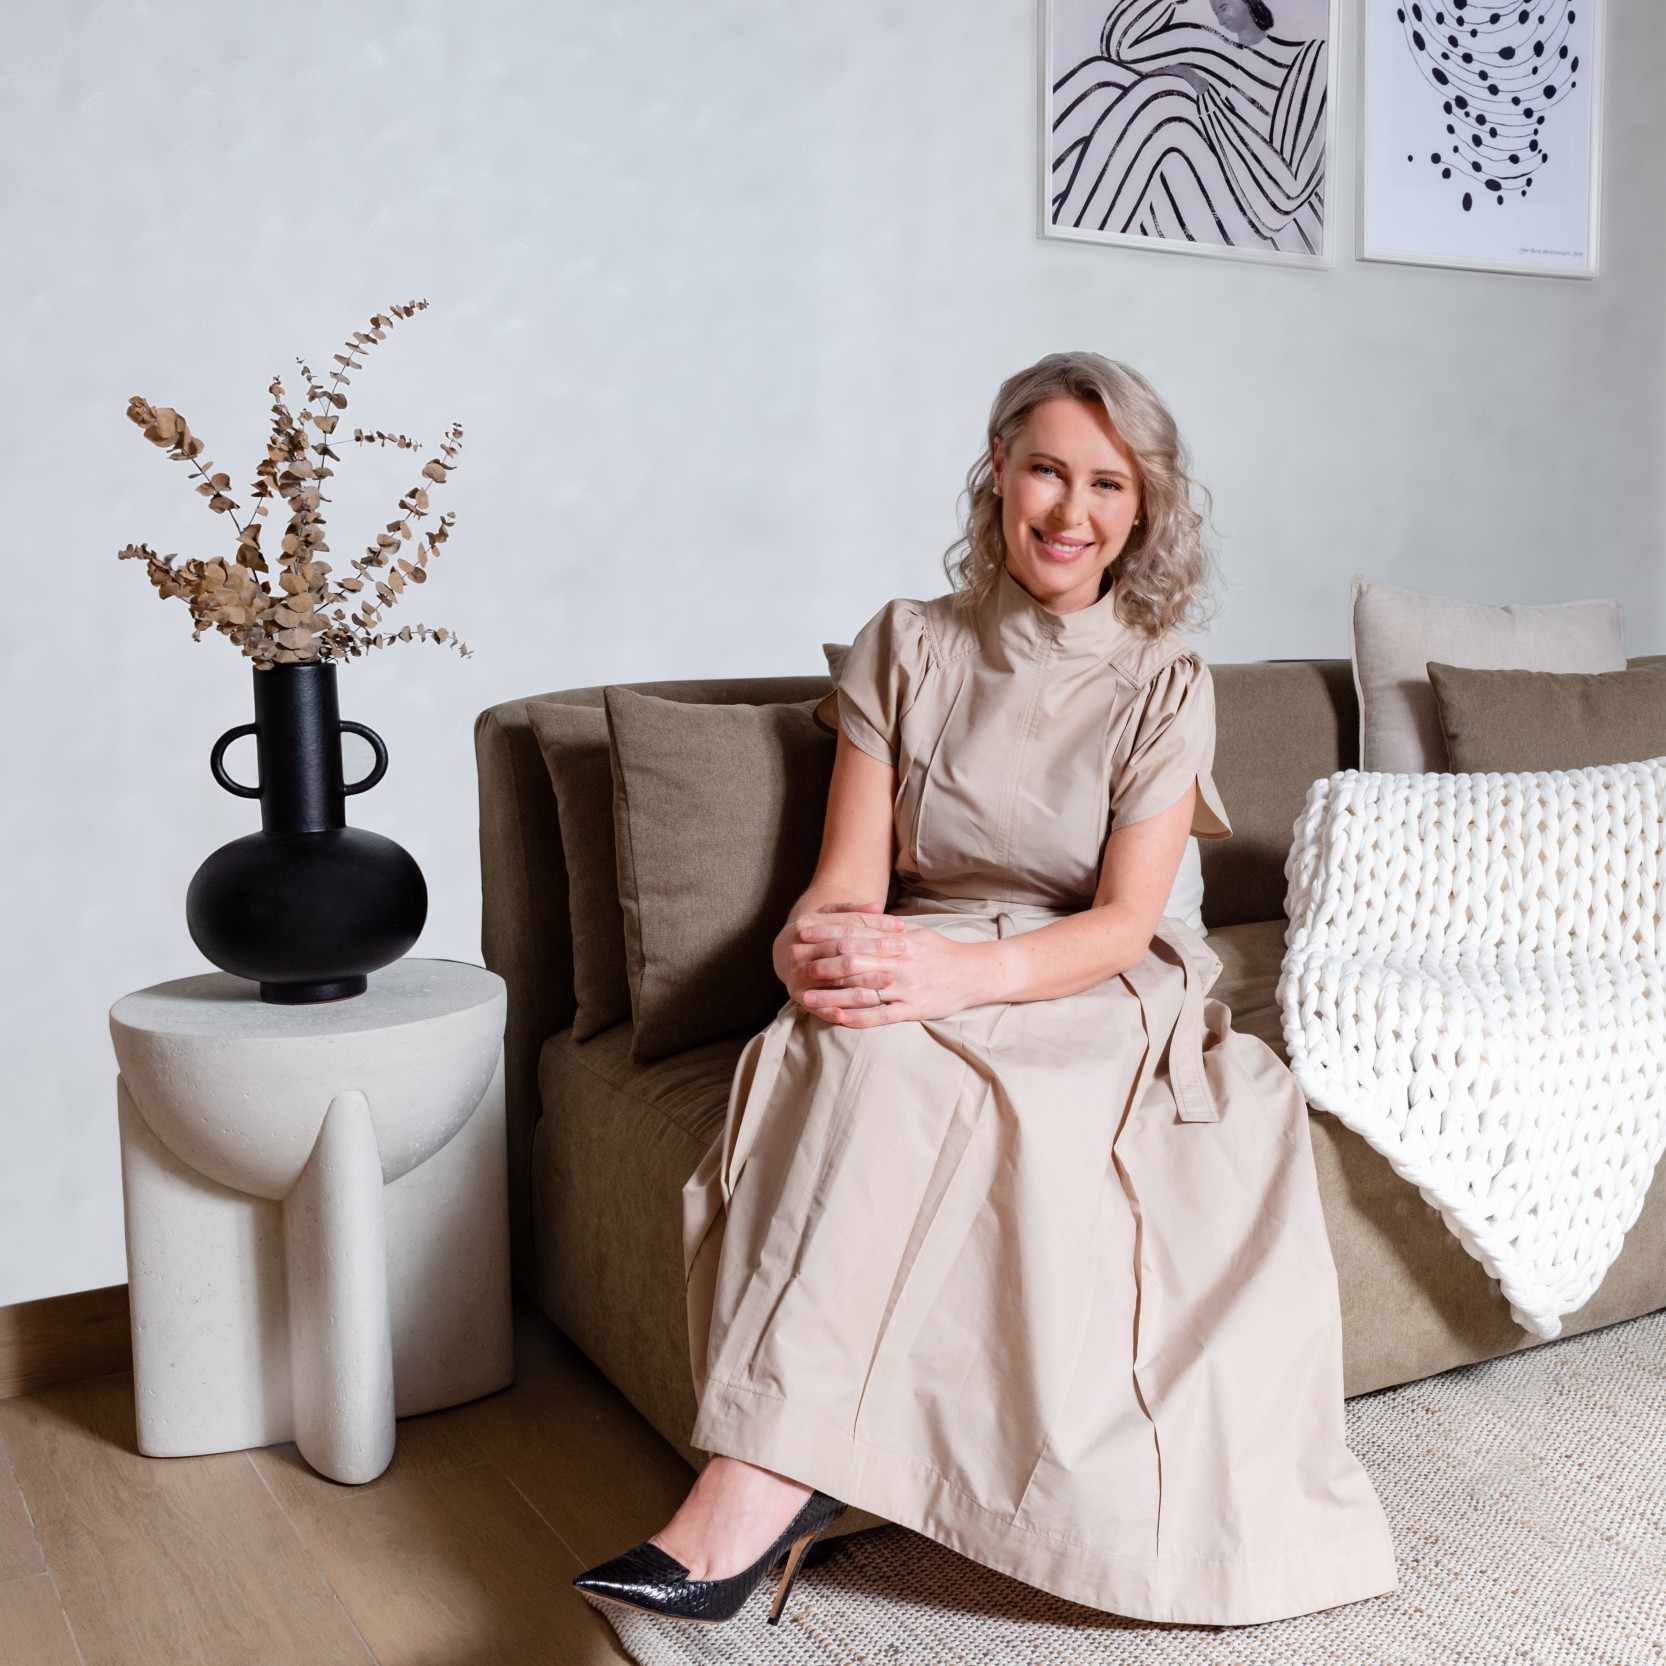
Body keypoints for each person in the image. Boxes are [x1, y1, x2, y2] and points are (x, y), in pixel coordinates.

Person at [574, 352, 1397, 1629]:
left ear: (1144, 509)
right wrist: (813, 945)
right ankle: (771, 1476)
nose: (1072, 511)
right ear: (999, 477)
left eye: (1107, 484)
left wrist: (965, 974)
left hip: (1089, 972)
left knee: (940, 1070)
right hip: (935, 936)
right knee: (850, 1049)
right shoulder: (907, 644)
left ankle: (747, 1494)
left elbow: (1126, 918)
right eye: (1048, 471)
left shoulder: (1165, 679)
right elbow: (845, 880)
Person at [1051, 0, 1329, 254]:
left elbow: (1281, 198)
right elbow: (1118, 46)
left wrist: (1203, 97)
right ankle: (1050, 227)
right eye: (1215, 10)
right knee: (1103, 79)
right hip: (1195, 199)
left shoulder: (1312, 59)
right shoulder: (1217, 51)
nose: (1218, 14)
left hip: (1274, 232)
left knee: (1168, 102)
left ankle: (1073, 253)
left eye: (1222, 6)